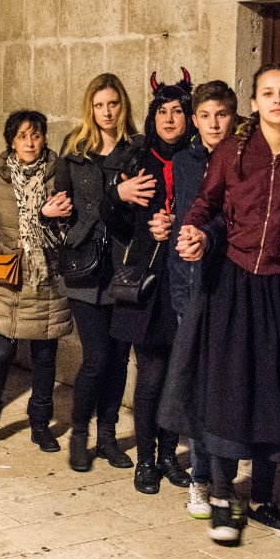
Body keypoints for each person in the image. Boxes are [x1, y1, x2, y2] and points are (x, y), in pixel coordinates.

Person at [160, 63, 280, 545]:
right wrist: (191, 230)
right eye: (267, 93)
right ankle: (219, 495)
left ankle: (263, 500)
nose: (277, 100)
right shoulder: (233, 149)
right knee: (226, 388)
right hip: (231, 281)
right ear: (254, 103)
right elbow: (206, 205)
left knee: (272, 389)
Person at [104, 72, 194, 495]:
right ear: (152, 116)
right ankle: (145, 460)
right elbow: (114, 221)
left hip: (187, 280)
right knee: (152, 373)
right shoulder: (137, 159)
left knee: (178, 374)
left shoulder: (200, 160)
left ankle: (169, 456)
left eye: (178, 111)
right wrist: (126, 202)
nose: (170, 118)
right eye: (163, 111)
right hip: (147, 281)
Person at [57, 73, 148, 473]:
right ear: (89, 108)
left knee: (119, 360)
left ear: (122, 105)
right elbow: (62, 205)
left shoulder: (137, 149)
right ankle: (80, 433)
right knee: (95, 358)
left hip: (125, 266)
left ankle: (107, 435)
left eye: (113, 104)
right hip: (85, 268)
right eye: (99, 105)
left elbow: (143, 207)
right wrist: (51, 210)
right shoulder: (75, 149)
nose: (107, 112)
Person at [0, 109, 72, 453]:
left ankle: (40, 425)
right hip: (7, 272)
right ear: (11, 142)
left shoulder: (60, 173)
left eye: (36, 135)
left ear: (44, 138)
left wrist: (54, 218)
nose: (30, 142)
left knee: (45, 356)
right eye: (22, 136)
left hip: (47, 274)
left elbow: (71, 222)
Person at [168, 80, 237, 519]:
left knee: (227, 389)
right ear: (195, 120)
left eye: (222, 115)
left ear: (234, 117)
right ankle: (199, 477)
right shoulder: (183, 161)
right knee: (196, 386)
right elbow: (179, 217)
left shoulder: (247, 160)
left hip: (232, 286)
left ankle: (224, 483)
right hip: (189, 285)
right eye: (205, 116)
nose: (213, 124)